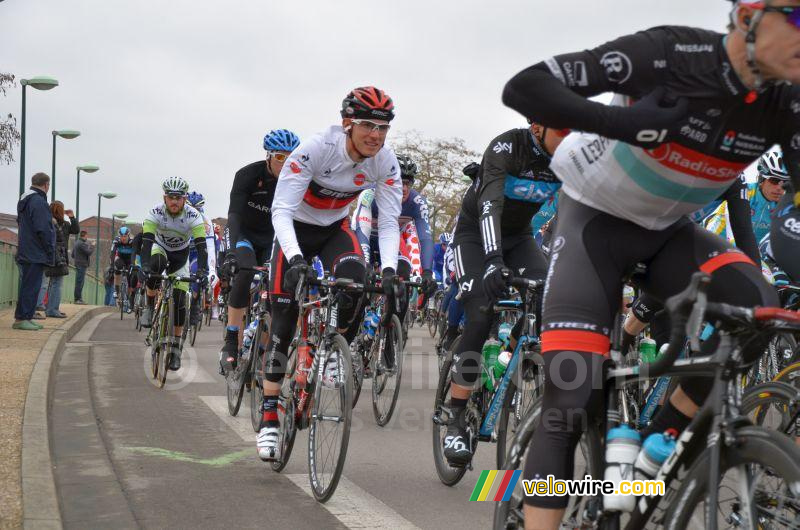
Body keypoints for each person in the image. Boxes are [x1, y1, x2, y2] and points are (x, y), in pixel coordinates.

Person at [500, 0, 800, 524]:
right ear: (750, 14)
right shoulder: (674, 53)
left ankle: (653, 457)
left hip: (669, 234)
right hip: (594, 225)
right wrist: (625, 122)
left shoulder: (788, 101)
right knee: (569, 400)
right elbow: (524, 87)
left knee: (756, 308)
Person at [257, 86, 402, 461]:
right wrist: (294, 259)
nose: (376, 135)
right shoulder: (315, 149)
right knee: (283, 326)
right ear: (347, 124)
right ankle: (270, 416)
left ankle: (336, 346)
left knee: (358, 279)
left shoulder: (384, 162)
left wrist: (387, 269)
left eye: (383, 128)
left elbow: (387, 222)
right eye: (368, 125)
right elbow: (281, 210)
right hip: (295, 231)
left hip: (335, 230)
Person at [443, 121, 569, 466]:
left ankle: (511, 351)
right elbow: (489, 207)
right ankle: (455, 416)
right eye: (564, 130)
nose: (570, 138)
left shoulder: (571, 157)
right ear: (538, 127)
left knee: (550, 297)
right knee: (481, 312)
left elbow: (571, 217)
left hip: (519, 238)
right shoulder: (507, 148)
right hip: (475, 234)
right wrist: (493, 261)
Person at [219, 129, 301, 373]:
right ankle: (231, 341)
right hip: (245, 234)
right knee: (244, 272)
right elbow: (233, 216)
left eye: (291, 158)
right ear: (268, 157)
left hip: (272, 238)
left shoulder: (298, 181)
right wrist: (232, 251)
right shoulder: (247, 175)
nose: (285, 164)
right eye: (280, 158)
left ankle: (264, 350)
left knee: (280, 290)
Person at [351, 153, 437, 324]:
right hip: (364, 238)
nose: (404, 188)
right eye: (399, 181)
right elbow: (363, 230)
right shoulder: (370, 195)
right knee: (360, 282)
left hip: (390, 243)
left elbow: (425, 239)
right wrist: (366, 263)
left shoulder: (417, 202)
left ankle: (391, 330)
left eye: (408, 183)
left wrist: (427, 272)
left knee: (403, 274)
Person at [140, 177, 208, 371]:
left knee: (179, 301)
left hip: (181, 257)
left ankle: (176, 349)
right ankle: (150, 306)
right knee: (155, 265)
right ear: (165, 197)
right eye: (171, 197)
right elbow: (146, 242)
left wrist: (202, 270)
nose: (175, 201)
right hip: (159, 249)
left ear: (185, 199)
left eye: (179, 197)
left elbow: (202, 246)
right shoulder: (155, 212)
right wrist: (144, 266)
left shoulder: (193, 216)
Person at [705, 150, 789, 246]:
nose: (779, 188)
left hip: (748, 254)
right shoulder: (743, 193)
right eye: (774, 180)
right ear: (762, 178)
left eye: (785, 183)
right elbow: (732, 237)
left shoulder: (785, 206)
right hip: (714, 243)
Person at [14, 173, 55, 330]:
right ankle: (23, 318)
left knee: (28, 285)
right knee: (32, 287)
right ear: (46, 185)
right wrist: (49, 250)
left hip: (26, 249)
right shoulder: (38, 202)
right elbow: (43, 229)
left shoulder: (25, 200)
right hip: (35, 251)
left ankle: (26, 316)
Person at [186, 191, 218, 326]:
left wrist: (212, 270)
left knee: (195, 275)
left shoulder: (205, 222)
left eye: (197, 209)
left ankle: (194, 304)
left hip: (197, 253)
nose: (194, 211)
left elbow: (210, 246)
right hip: (183, 250)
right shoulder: (180, 217)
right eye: (191, 208)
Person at [44, 201, 79, 317]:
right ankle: (52, 310)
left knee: (51, 283)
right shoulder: (63, 224)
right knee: (57, 283)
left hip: (49, 254)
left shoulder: (49, 221)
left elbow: (75, 230)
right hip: (59, 256)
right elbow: (76, 230)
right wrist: (72, 217)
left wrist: (72, 218)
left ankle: (50, 308)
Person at [109, 226, 135, 312]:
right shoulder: (116, 240)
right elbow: (112, 253)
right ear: (119, 236)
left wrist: (133, 265)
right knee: (117, 268)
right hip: (120, 258)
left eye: (125, 236)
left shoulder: (132, 241)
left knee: (131, 277)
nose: (123, 238)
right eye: (122, 236)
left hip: (130, 259)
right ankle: (116, 291)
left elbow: (135, 254)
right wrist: (111, 266)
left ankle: (128, 297)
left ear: (128, 236)